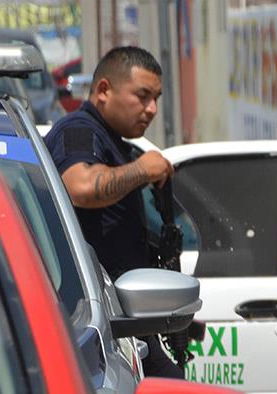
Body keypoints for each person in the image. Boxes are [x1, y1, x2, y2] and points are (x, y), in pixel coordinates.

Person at [44, 46, 181, 379]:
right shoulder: (80, 131)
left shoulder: (112, 141)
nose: (152, 109)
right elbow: (81, 188)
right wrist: (142, 170)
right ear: (104, 90)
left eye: (157, 98)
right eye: (143, 96)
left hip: (120, 324)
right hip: (92, 326)